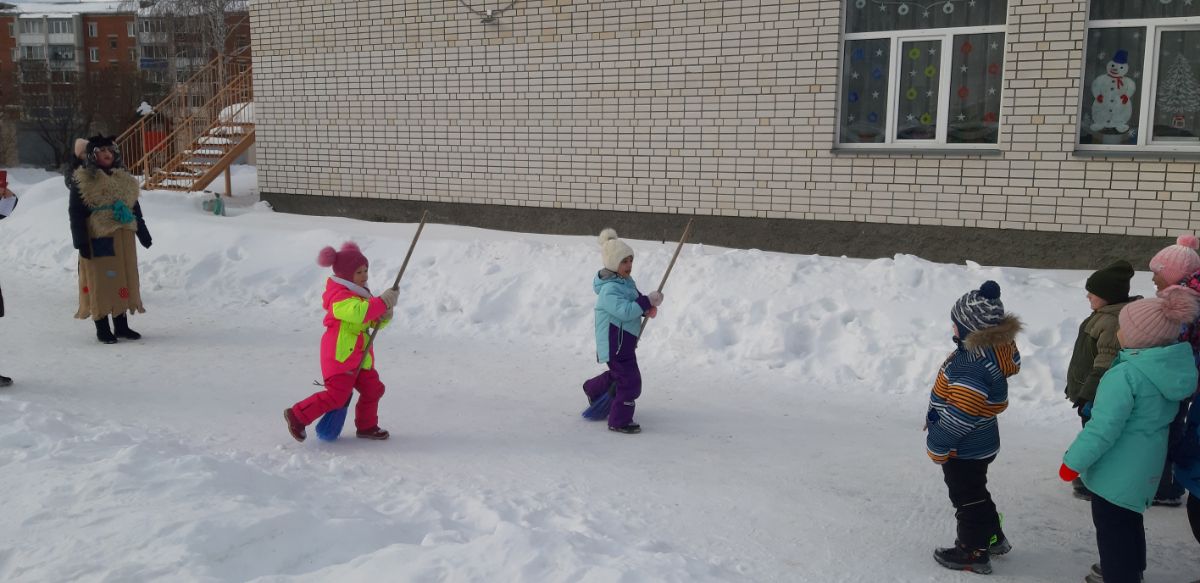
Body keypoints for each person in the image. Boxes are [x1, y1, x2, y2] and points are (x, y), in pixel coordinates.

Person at [1060, 287, 1200, 583]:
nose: (1119, 331)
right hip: (1145, 469)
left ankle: (1120, 574)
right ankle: (1132, 569)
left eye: (1124, 327)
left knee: (1112, 531)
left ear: (1140, 337)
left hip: (1117, 473)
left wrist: (1072, 462)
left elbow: (1102, 429)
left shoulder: (1125, 376)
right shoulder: (1165, 369)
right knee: (1129, 521)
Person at [926, 281, 1022, 575]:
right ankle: (993, 537)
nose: (952, 329)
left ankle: (972, 552)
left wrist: (938, 442)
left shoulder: (972, 365)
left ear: (970, 329)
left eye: (955, 324)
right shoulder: (994, 351)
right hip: (982, 441)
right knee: (976, 491)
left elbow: (960, 415)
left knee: (966, 499)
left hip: (963, 446)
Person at [284, 242, 398, 442]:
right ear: (346, 276)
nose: (364, 275)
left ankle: (367, 426)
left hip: (359, 357)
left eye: (366, 270)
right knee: (337, 395)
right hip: (340, 355)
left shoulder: (361, 297)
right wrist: (382, 302)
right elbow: (359, 313)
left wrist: (385, 314)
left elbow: (371, 321)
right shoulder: (339, 297)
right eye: (359, 272)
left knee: (374, 389)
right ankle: (298, 415)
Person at [1064, 260, 1139, 500]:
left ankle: (1092, 480)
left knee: (1096, 436)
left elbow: (1104, 363)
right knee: (1092, 433)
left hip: (1097, 395)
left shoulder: (1111, 321)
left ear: (1108, 296)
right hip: (1089, 390)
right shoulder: (1102, 315)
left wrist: (1088, 394)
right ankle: (1091, 474)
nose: (1087, 296)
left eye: (1092, 292)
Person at [67, 135, 152, 344]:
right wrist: (81, 242)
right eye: (101, 151)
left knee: (122, 280)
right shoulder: (84, 179)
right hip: (99, 237)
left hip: (124, 237)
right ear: (92, 156)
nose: (107, 154)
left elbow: (134, 208)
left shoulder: (123, 179)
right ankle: (102, 326)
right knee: (102, 283)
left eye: (110, 151)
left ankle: (121, 325)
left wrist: (143, 232)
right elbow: (76, 213)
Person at [581, 229, 662, 434]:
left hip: (625, 343)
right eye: (624, 262)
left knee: (621, 376)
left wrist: (646, 307)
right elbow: (625, 311)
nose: (629, 265)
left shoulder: (626, 284)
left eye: (630, 261)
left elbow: (634, 302)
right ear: (612, 264)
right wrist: (644, 301)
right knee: (630, 382)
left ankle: (593, 388)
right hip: (614, 343)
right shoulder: (609, 289)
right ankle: (619, 420)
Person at [1147, 234, 1200, 506]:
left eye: (1157, 273)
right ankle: (1171, 482)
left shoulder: (1180, 303)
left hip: (1175, 380)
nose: (1153, 278)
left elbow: (1172, 345)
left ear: (1174, 275)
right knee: (1175, 425)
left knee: (1168, 427)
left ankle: (1167, 486)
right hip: (1186, 378)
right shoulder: (1189, 296)